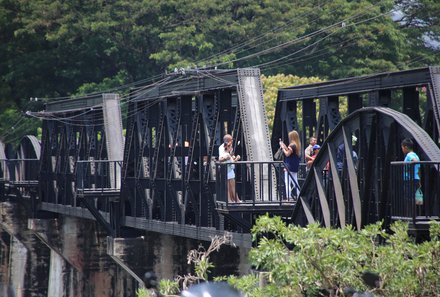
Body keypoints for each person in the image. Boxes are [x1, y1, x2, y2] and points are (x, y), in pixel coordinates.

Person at [219, 134, 241, 203]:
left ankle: (231, 200)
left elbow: (229, 157)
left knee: (229, 186)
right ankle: (235, 200)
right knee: (232, 186)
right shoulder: (224, 149)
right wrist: (236, 159)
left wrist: (232, 157)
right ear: (228, 141)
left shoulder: (224, 148)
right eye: (231, 140)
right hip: (228, 170)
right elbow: (223, 159)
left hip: (227, 169)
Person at [279, 130, 301, 199]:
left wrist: (282, 148)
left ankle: (288, 197)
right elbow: (290, 151)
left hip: (289, 165)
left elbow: (287, 154)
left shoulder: (292, 145)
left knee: (287, 182)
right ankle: (299, 195)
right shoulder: (296, 145)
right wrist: (284, 146)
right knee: (295, 182)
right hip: (295, 165)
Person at [401, 138, 420, 203]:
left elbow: (415, 161)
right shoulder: (416, 155)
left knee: (408, 199)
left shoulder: (409, 155)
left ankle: (409, 213)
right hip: (416, 179)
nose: (402, 149)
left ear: (405, 147)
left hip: (409, 179)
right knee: (415, 199)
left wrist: (408, 169)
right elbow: (418, 169)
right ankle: (414, 213)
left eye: (402, 147)